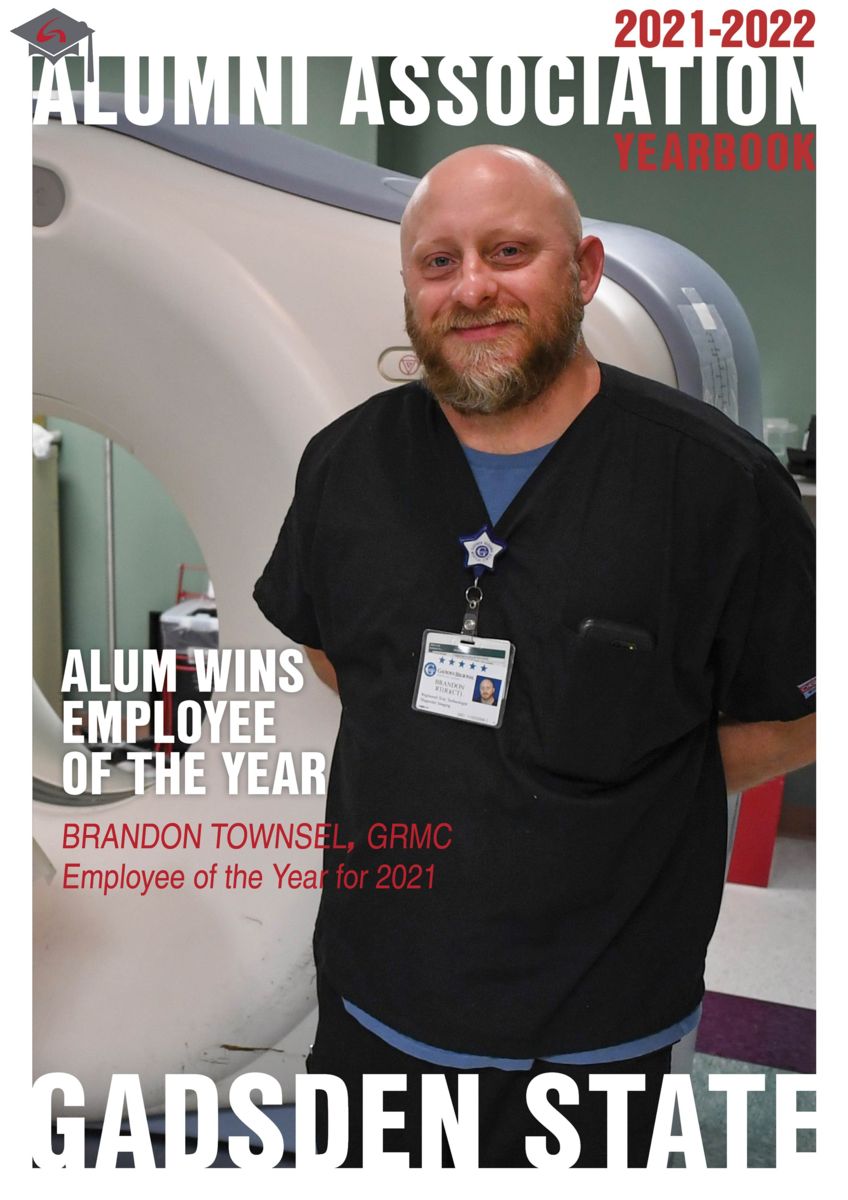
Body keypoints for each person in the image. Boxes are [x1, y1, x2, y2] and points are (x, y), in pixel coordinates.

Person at [254, 145, 816, 1167]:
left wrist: (626, 787)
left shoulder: (715, 487)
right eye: (439, 262)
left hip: (595, 1027)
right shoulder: (347, 465)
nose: (472, 287)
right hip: (378, 998)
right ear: (411, 289)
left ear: (584, 270)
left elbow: (798, 715)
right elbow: (336, 651)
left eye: (508, 251)